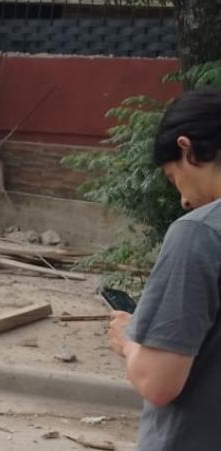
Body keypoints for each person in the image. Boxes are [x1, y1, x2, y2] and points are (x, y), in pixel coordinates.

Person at [107, 89, 221, 450]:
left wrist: (129, 343)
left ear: (187, 149)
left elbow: (158, 382)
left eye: (174, 178)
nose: (184, 199)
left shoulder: (200, 233)